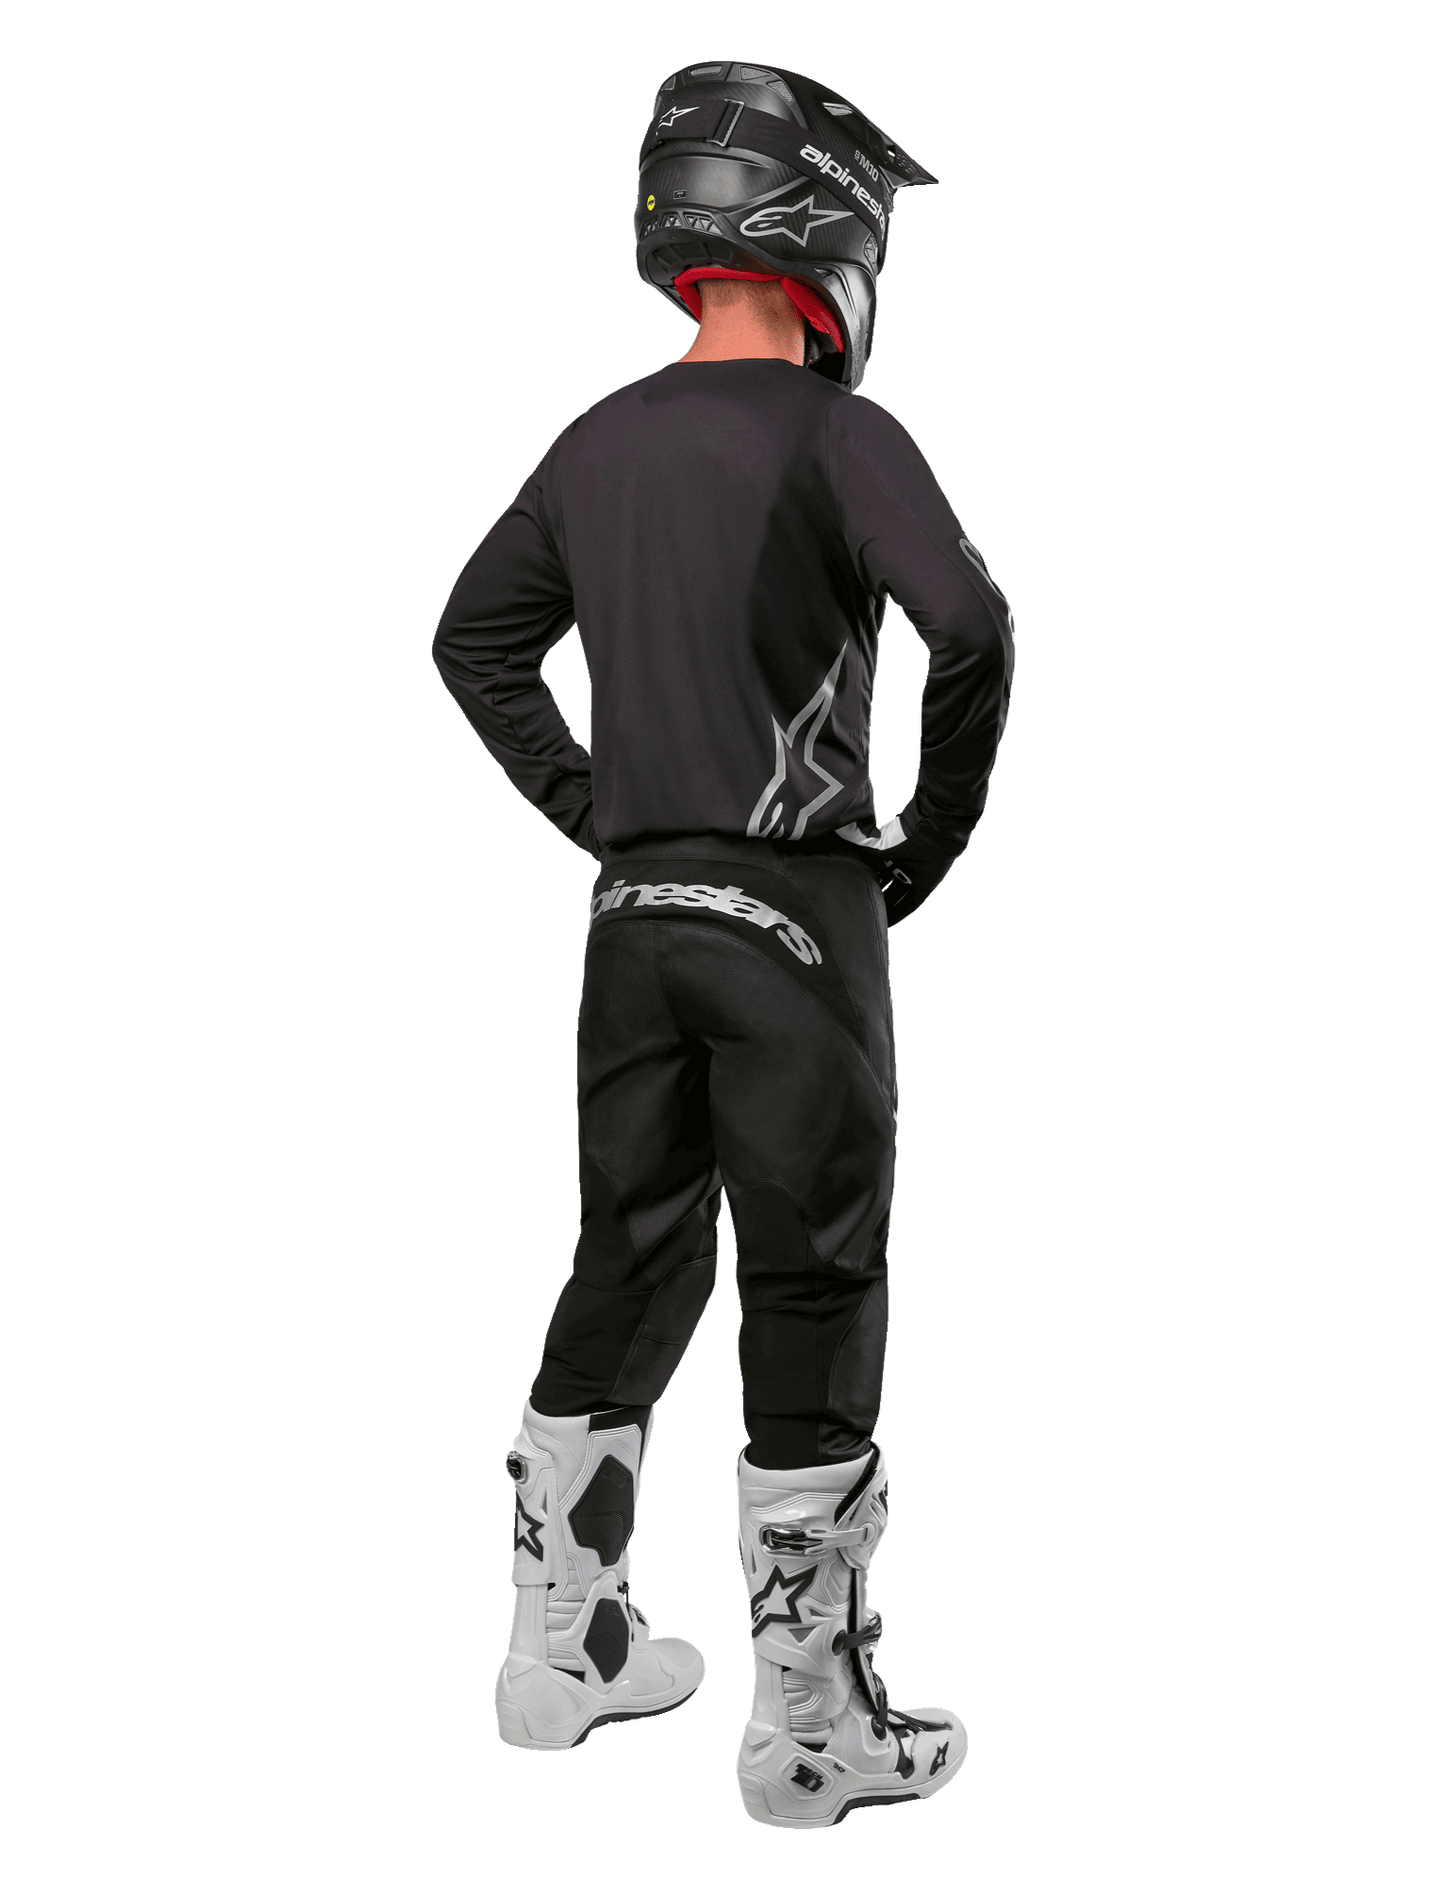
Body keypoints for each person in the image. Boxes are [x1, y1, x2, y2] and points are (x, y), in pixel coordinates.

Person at [432, 59, 1016, 1829]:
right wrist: (930, 840)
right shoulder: (841, 440)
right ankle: (811, 1734)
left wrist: (597, 808)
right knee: (813, 1281)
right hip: (796, 921)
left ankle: (560, 1655)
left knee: (626, 1254)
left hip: (633, 924)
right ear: (828, 232)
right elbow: (973, 626)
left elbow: (473, 640)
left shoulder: (592, 440)